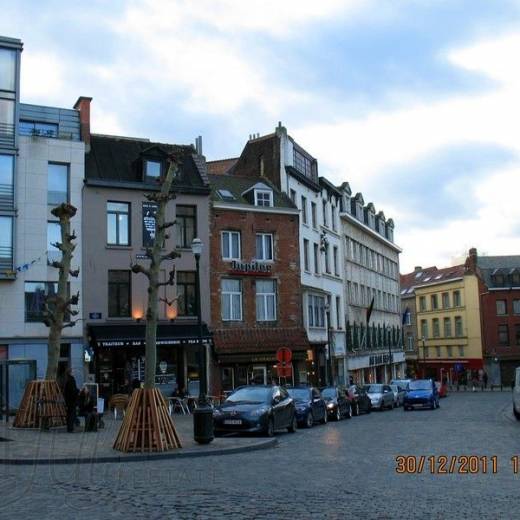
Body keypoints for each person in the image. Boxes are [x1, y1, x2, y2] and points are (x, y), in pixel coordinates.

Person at [63, 368, 79, 433]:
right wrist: (78, 391)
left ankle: (69, 427)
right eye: (72, 371)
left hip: (68, 400)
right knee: (71, 414)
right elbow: (73, 390)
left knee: (69, 414)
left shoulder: (66, 379)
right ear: (70, 372)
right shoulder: (71, 379)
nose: (73, 372)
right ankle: (70, 428)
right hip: (72, 400)